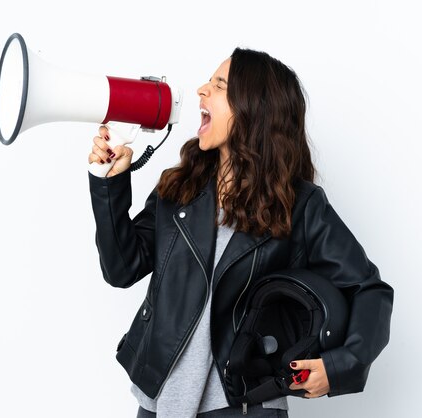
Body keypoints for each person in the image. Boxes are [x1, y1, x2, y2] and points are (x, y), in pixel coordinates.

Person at [87, 47, 394, 418]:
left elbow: (369, 291)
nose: (201, 90)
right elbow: (121, 269)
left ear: (254, 109)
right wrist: (109, 185)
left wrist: (339, 366)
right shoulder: (180, 187)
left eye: (219, 85)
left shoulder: (301, 205)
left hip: (243, 406)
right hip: (159, 402)